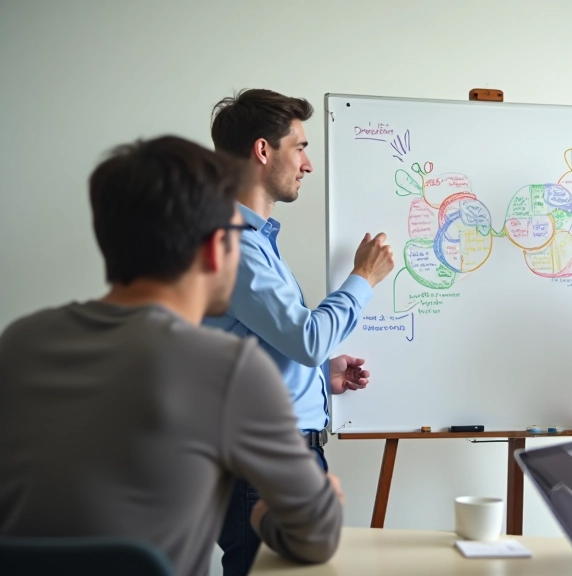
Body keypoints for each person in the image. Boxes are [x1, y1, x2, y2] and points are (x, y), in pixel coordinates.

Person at [0, 137, 345, 576]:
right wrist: (267, 515)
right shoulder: (229, 367)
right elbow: (316, 535)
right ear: (214, 246)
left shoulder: (22, 342)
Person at [205, 88, 394, 575]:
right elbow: (307, 337)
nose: (308, 164)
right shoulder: (238, 249)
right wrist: (363, 279)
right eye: (300, 147)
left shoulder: (256, 245)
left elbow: (275, 342)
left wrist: (316, 376)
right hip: (265, 465)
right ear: (262, 151)